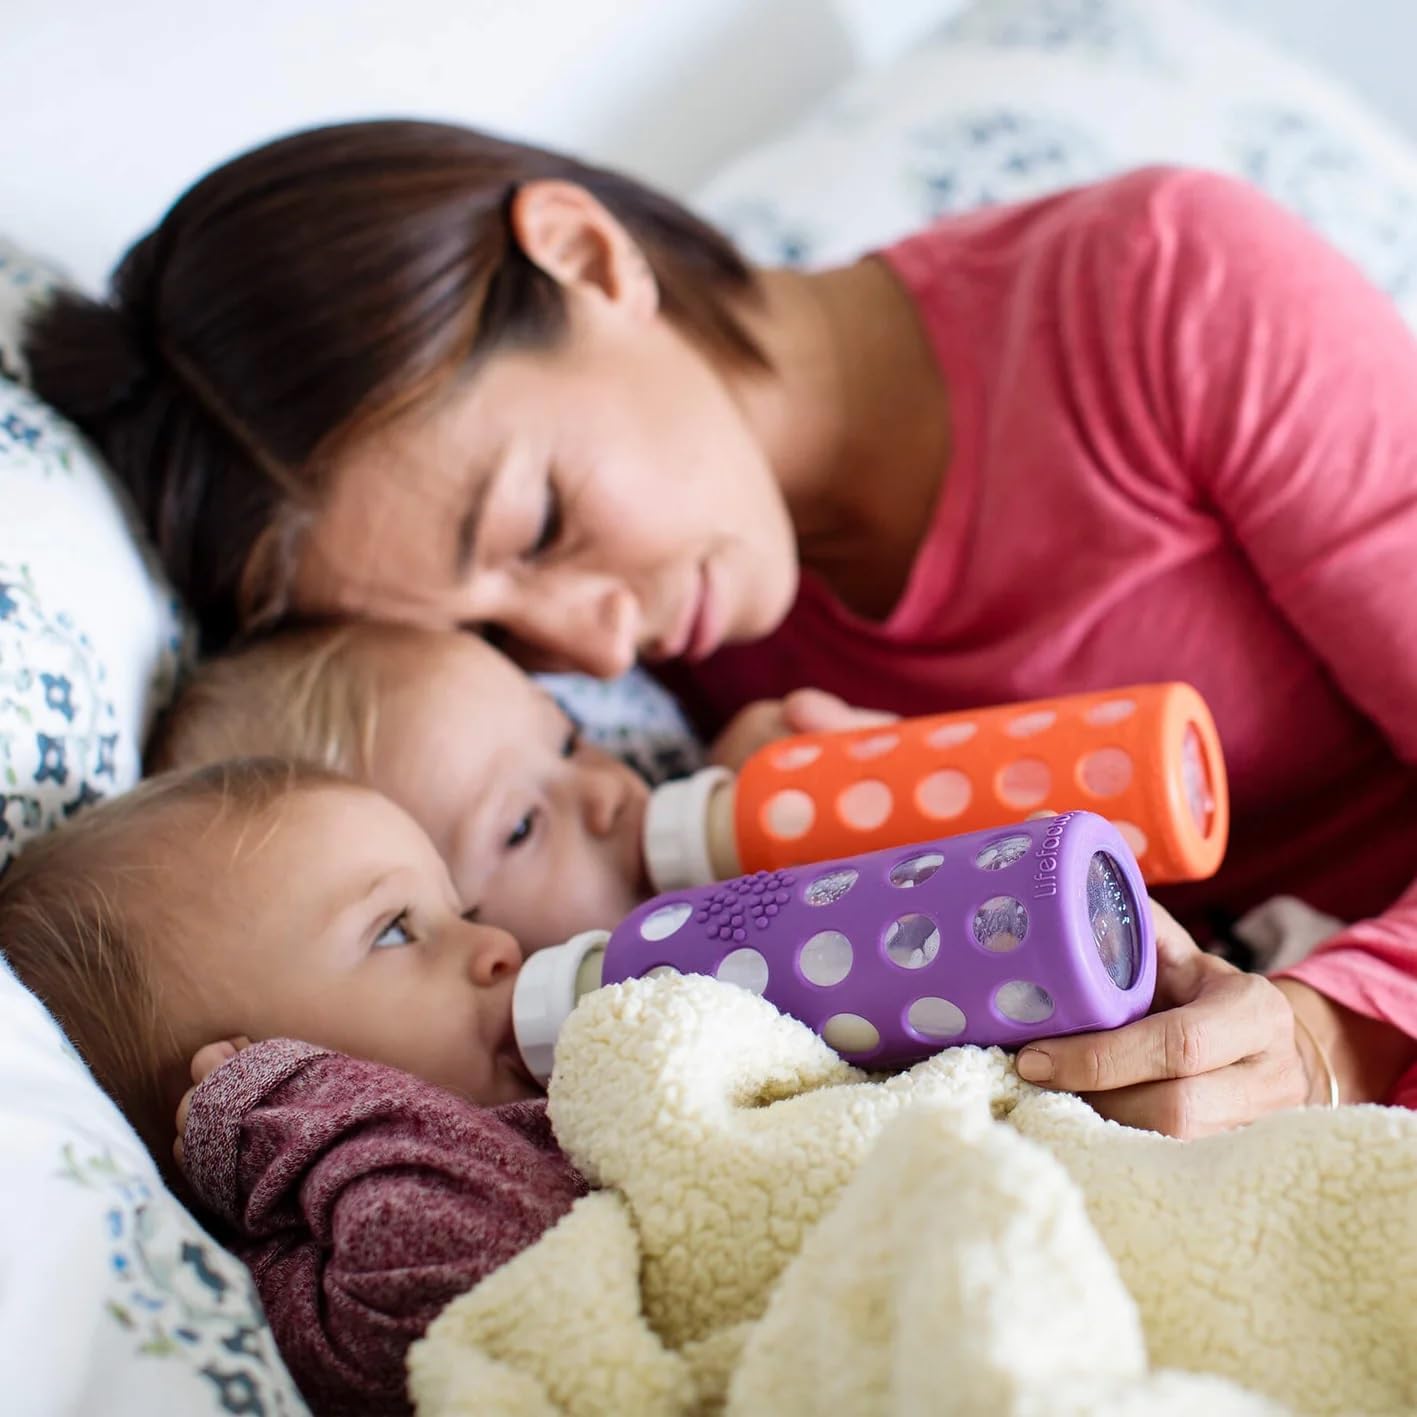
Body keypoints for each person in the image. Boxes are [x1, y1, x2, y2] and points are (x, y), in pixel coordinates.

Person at [25, 121, 1417, 1134]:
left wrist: (1330, 1031)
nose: (600, 649)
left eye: (537, 526)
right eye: (504, 636)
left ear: (585, 256)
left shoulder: (1161, 289)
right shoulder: (693, 692)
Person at [0, 758, 589, 1413]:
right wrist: (300, 1108)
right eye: (394, 930)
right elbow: (492, 1262)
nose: (498, 942)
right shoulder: (298, 1291)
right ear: (235, 1097)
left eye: (460, 908)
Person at [148, 620, 892, 948]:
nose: (606, 790)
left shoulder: (739, 799)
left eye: (569, 739)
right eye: (520, 828)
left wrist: (860, 787)